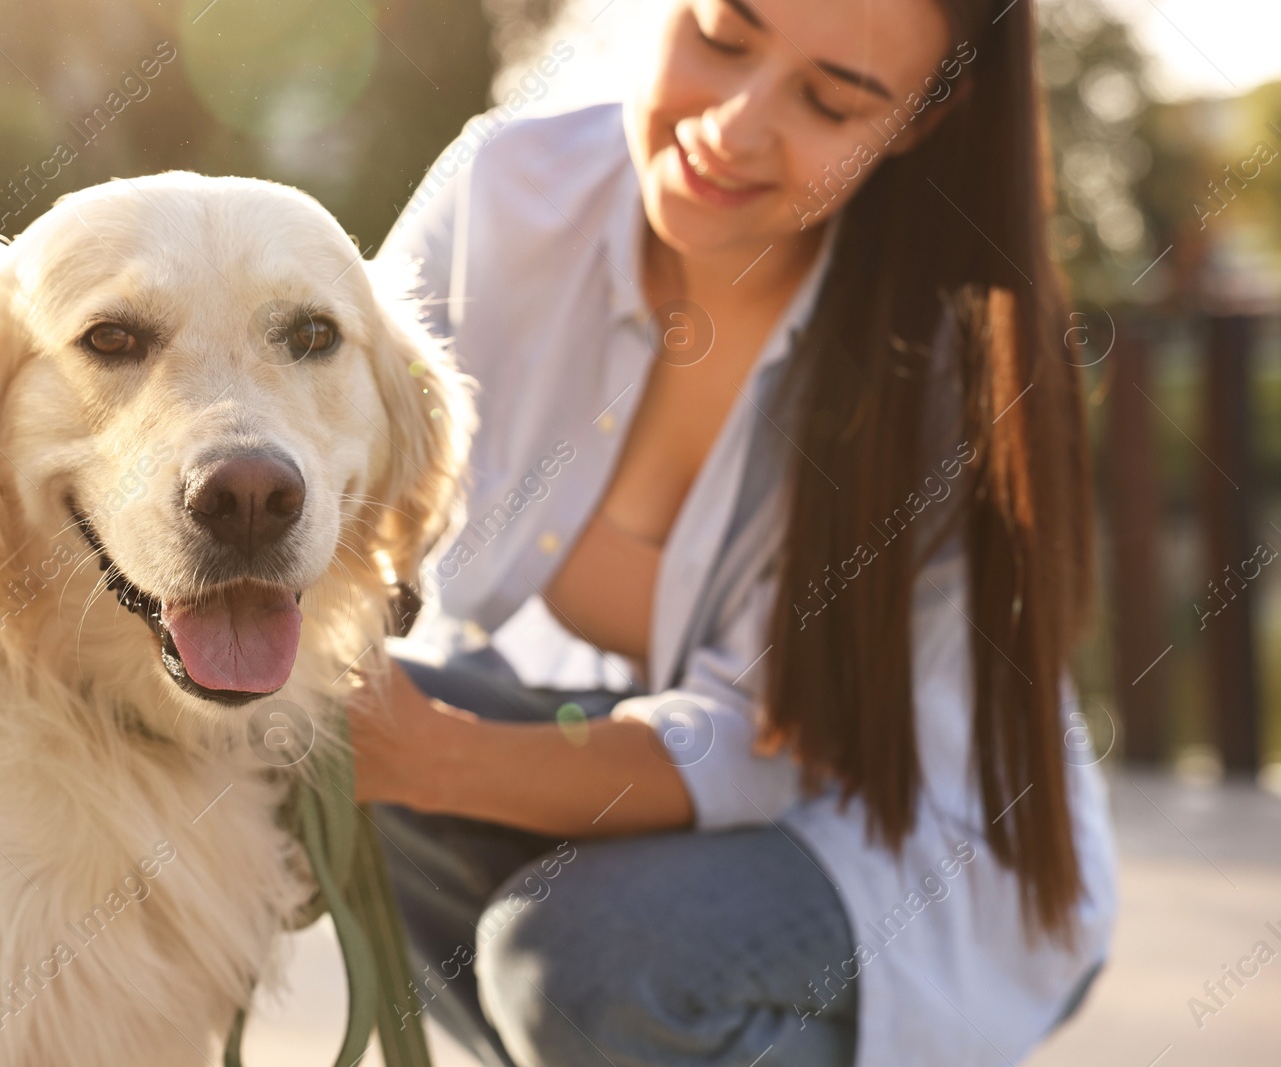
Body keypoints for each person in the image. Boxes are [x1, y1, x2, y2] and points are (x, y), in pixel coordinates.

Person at [349, 1, 1118, 1065]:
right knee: (311, 742)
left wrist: (437, 759)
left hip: (896, 835)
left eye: (830, 98)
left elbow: (756, 747)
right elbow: (333, 468)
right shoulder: (505, 194)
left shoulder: (941, 363)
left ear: (918, 120)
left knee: (584, 961)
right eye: (720, 36)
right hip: (645, 753)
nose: (733, 125)